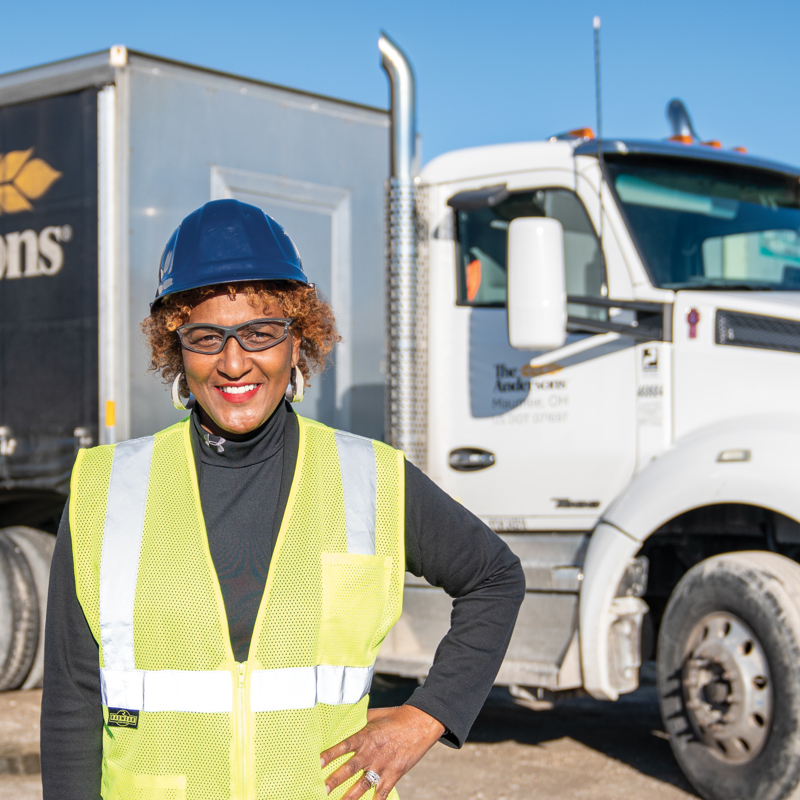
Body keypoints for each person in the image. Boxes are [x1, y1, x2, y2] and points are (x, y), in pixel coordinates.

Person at [41, 199, 525, 800]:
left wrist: (427, 718)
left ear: (298, 343)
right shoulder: (107, 491)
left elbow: (495, 578)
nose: (235, 361)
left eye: (260, 333)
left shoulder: (367, 477)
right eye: (207, 336)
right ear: (176, 349)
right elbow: (72, 700)